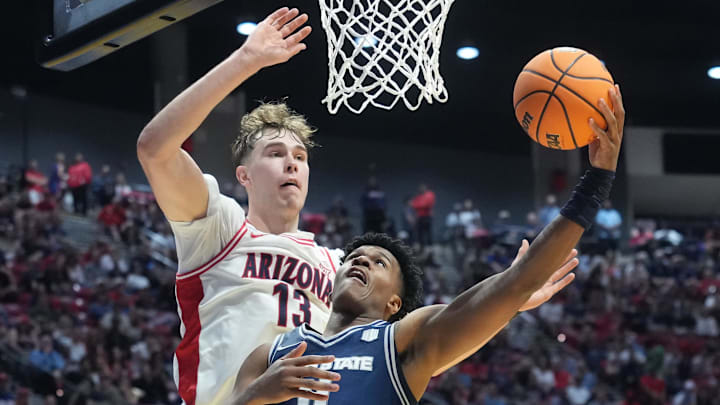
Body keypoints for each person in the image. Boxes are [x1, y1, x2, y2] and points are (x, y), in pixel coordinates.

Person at [137, 6, 584, 405]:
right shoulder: (218, 227)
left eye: (300, 157)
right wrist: (246, 60)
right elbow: (155, 147)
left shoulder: (338, 266)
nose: (291, 163)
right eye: (275, 153)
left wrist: (509, 298)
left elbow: (417, 350)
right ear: (244, 175)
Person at [231, 84, 624, 405]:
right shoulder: (272, 354)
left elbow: (516, 282)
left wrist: (597, 181)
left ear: (393, 305)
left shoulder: (403, 339)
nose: (360, 261)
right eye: (354, 257)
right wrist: (254, 395)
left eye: (379, 263)